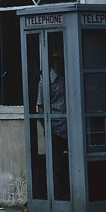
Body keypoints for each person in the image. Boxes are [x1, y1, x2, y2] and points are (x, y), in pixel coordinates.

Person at [35, 48, 70, 198]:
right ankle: (57, 194)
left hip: (69, 127)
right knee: (57, 164)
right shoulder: (46, 81)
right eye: (61, 60)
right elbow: (41, 107)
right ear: (55, 61)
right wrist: (47, 128)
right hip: (55, 128)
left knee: (69, 162)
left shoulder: (67, 78)